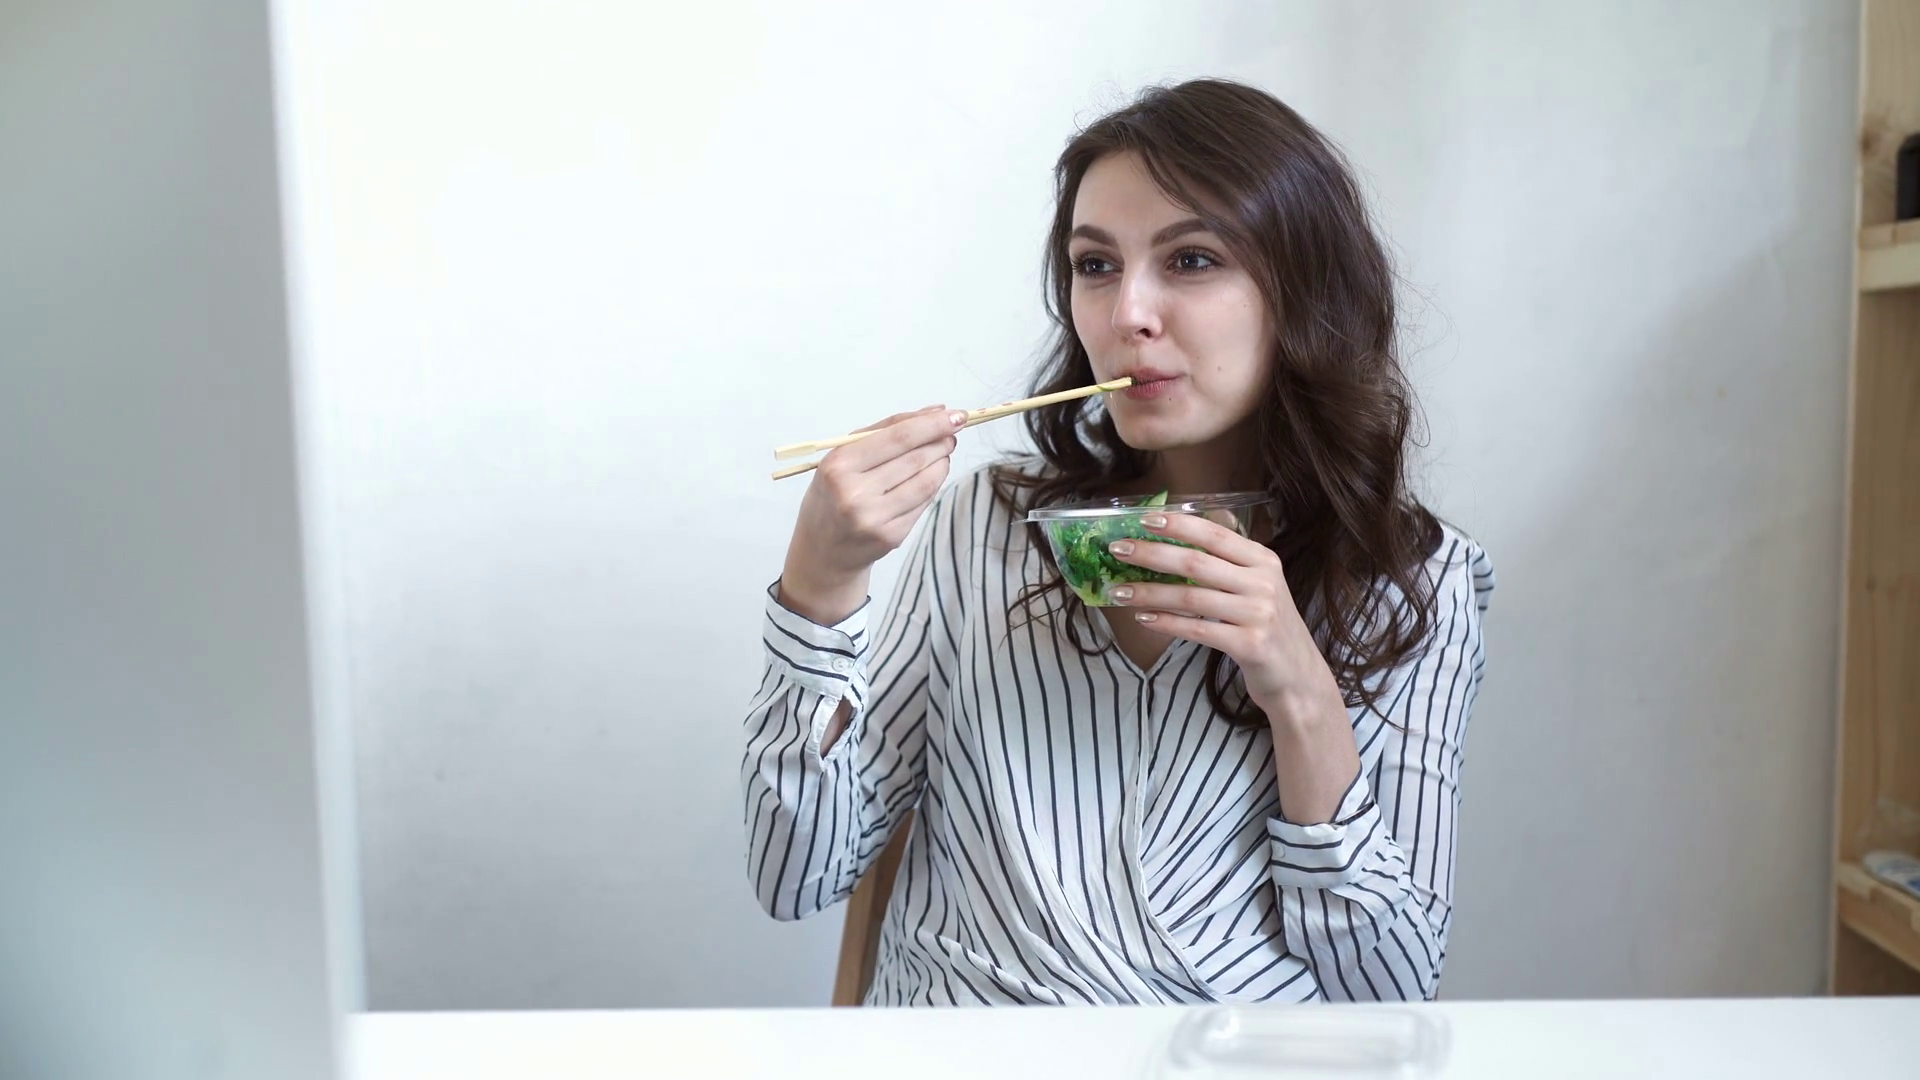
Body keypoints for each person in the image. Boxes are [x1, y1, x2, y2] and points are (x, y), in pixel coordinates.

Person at [741, 77, 1494, 1006]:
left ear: (1302, 290)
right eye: (1095, 265)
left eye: (1191, 260)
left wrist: (1302, 694)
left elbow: (1393, 989)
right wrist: (819, 590)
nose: (1126, 312)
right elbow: (793, 876)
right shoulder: (986, 525)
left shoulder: (1413, 580)